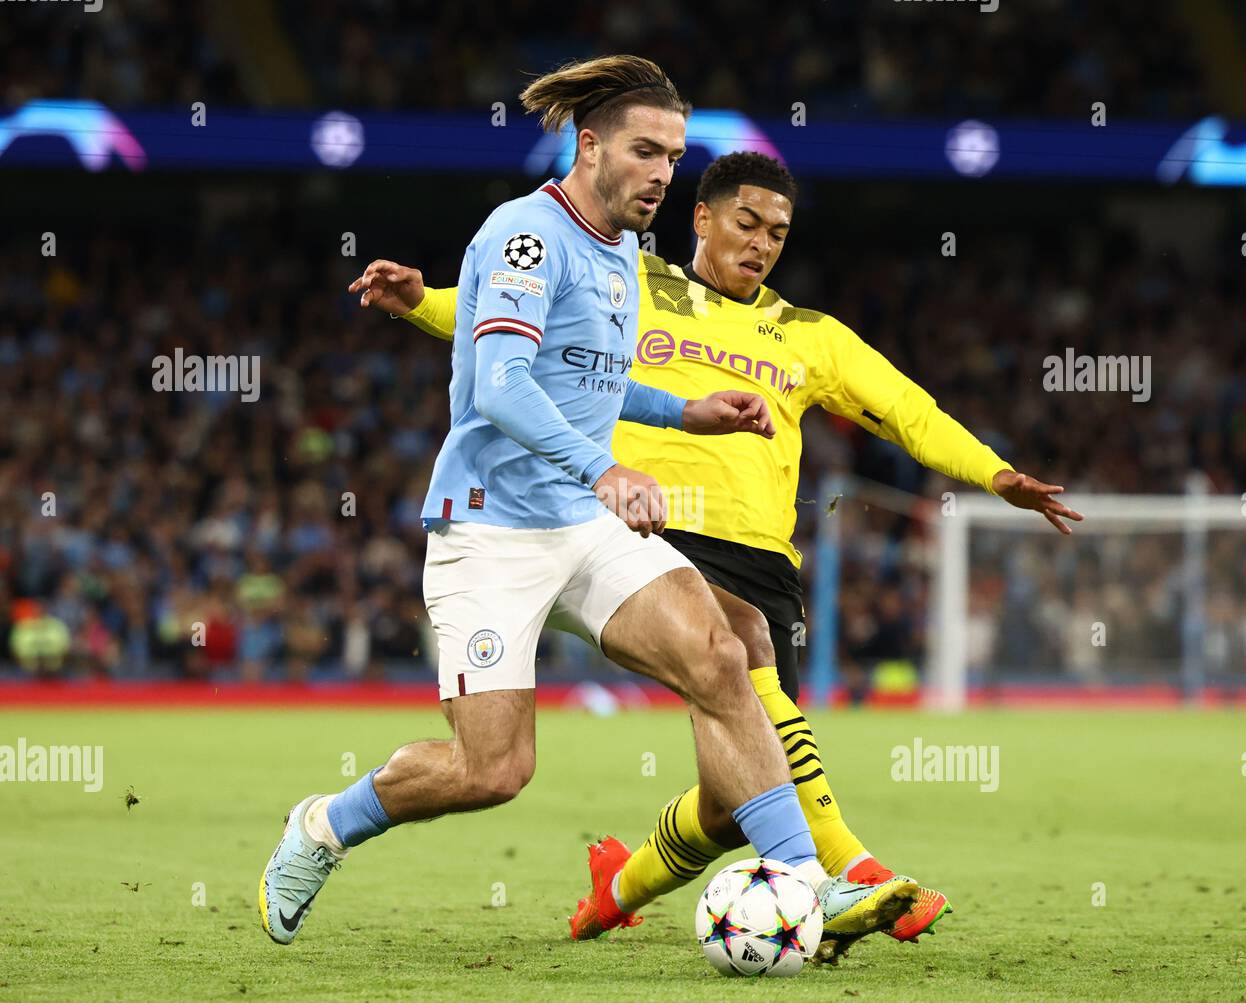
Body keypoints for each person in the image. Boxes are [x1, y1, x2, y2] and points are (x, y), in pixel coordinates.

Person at [362, 151, 1083, 961]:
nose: (763, 243)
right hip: (650, 535)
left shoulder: (812, 336)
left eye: (778, 232)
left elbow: (910, 412)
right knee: (739, 644)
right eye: (746, 222)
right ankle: (849, 868)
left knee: (732, 798)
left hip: (764, 564)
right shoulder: (629, 285)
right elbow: (510, 326)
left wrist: (995, 474)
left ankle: (617, 887)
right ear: (700, 218)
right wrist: (422, 302)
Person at [260, 58, 913, 948]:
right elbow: (501, 383)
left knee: (723, 653)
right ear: (591, 143)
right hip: (490, 528)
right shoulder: (526, 235)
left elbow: (596, 382)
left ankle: (804, 879)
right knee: (493, 770)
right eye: (646, 152)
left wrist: (686, 410)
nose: (661, 173)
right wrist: (603, 470)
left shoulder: (621, 253)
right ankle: (324, 826)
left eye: (674, 159)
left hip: (584, 526)